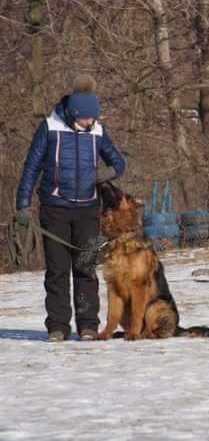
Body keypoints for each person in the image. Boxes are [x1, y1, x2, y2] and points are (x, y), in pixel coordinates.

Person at [15, 74, 125, 342]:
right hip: (55, 209)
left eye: (93, 117)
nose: (91, 122)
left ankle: (88, 324)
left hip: (88, 210)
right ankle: (58, 327)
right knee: (57, 270)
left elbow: (119, 164)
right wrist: (23, 204)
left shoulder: (97, 131)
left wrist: (106, 173)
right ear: (74, 113)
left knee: (85, 268)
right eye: (86, 118)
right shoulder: (49, 128)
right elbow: (31, 166)